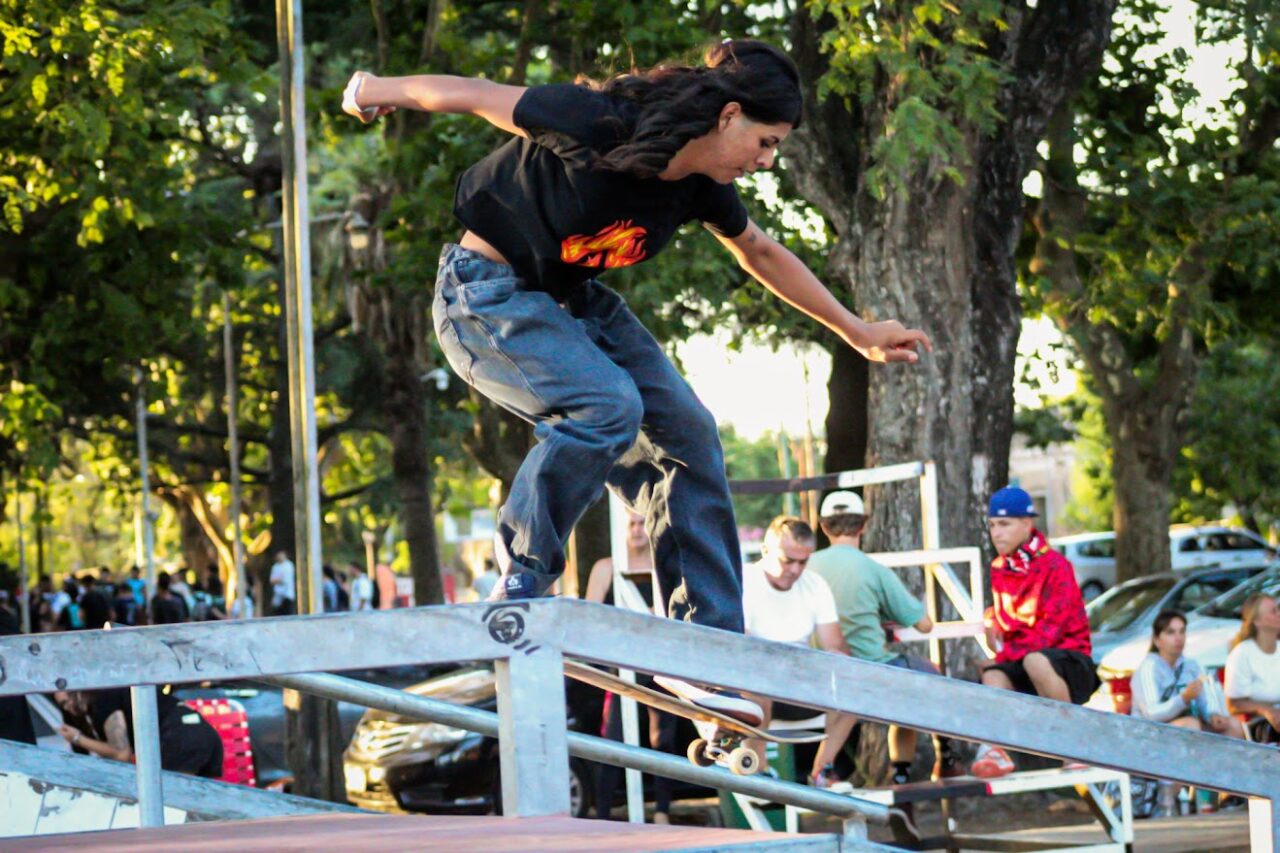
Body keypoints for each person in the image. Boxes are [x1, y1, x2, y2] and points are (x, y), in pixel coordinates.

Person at [342, 40, 931, 722]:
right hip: (485, 296)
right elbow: (473, 94)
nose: (766, 162)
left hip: (575, 304)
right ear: (729, 116)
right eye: (766, 143)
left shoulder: (703, 187)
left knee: (688, 434)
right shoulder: (599, 121)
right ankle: (521, 577)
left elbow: (761, 252)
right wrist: (373, 86)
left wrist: (857, 330)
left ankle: (702, 646)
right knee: (609, 405)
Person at [805, 491, 962, 785]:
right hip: (870, 669)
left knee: (892, 692)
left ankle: (827, 769)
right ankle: (941, 759)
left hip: (818, 670)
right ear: (863, 526)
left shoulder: (806, 568)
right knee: (928, 675)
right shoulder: (873, 569)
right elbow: (924, 624)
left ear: (824, 526)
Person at [971, 486, 1098, 779]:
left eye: (1005, 524)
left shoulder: (1056, 565)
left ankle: (1073, 747)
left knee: (1034, 660)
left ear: (1027, 525)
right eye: (992, 525)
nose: (996, 533)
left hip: (1068, 663)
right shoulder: (999, 567)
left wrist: (1003, 655)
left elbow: (1048, 633)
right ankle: (995, 750)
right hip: (1025, 658)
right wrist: (992, 619)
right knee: (992, 676)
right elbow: (1006, 619)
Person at [736, 516, 855, 785]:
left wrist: (840, 662)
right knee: (758, 684)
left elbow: (835, 646)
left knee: (853, 688)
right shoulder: (744, 581)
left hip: (800, 686)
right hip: (755, 686)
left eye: (803, 562)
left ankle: (823, 770)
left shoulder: (815, 585)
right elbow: (737, 647)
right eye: (787, 560)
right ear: (766, 551)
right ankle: (757, 768)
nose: (795, 569)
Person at [585, 512, 678, 824]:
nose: (638, 530)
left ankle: (662, 810)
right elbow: (590, 620)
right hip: (622, 666)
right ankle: (603, 812)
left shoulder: (662, 567)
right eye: (632, 524)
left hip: (660, 664)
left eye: (643, 523)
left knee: (663, 739)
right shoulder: (606, 568)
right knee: (614, 738)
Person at [1133, 608, 1244, 815]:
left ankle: (1230, 794)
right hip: (1150, 735)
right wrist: (1182, 699)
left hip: (1186, 727)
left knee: (1233, 726)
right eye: (1170, 632)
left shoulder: (1192, 665)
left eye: (1182, 631)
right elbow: (1152, 714)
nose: (1178, 638)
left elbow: (1206, 700)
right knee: (1190, 726)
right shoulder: (1148, 668)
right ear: (1157, 640)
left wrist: (1213, 715)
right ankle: (1178, 799)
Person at [56, 686, 223, 778]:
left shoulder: (102, 701)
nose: (68, 706)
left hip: (180, 737)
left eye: (69, 698)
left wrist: (77, 738)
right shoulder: (109, 695)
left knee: (174, 805)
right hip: (199, 731)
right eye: (63, 705)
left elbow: (122, 753)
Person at [1225, 593, 1280, 743]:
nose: (1279, 614)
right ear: (1257, 621)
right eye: (1273, 611)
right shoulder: (1243, 653)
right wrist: (1264, 710)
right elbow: (1233, 704)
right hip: (1263, 724)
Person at [269, 551, 297, 616]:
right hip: (278, 595)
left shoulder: (289, 565)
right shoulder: (275, 567)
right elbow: (272, 580)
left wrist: (278, 579)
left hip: (287, 595)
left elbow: (285, 579)